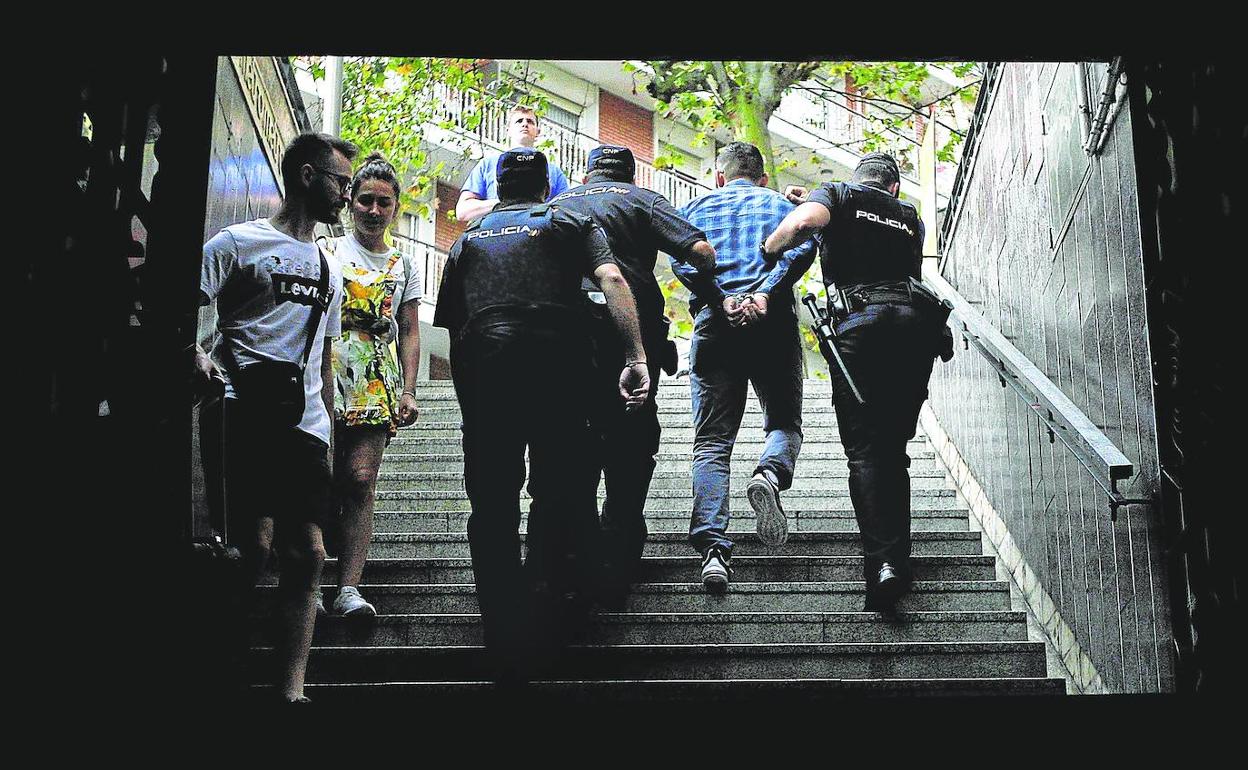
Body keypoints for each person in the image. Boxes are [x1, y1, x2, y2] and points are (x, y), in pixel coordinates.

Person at [433, 148, 650, 681]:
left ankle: (503, 628)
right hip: (559, 367)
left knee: (492, 499)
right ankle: (550, 602)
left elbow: (453, 326)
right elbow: (615, 281)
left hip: (488, 368)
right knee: (561, 488)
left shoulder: (467, 240)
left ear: (499, 188)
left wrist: (470, 406)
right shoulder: (567, 218)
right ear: (546, 186)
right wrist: (634, 356)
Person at [192, 132, 354, 702]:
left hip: (303, 425)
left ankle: (291, 692)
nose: (347, 194)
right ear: (308, 177)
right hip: (241, 410)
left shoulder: (330, 269)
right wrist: (197, 353)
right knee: (253, 546)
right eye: (340, 181)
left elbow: (326, 357)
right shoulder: (239, 242)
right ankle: (220, 665)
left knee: (308, 551)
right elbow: (186, 296)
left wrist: (327, 429)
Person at [764, 152, 948, 619]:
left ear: (857, 180)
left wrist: (771, 246)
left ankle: (883, 565)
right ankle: (896, 561)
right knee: (892, 449)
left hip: (861, 330)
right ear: (893, 187)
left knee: (865, 451)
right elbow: (872, 234)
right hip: (913, 328)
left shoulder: (840, 195)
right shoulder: (909, 216)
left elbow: (806, 222)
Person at [549, 144, 722, 607]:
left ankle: (576, 552)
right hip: (632, 334)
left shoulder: (559, 205)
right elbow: (701, 251)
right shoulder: (643, 199)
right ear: (628, 173)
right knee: (632, 439)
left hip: (565, 336)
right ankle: (619, 548)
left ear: (586, 175)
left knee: (573, 442)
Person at [675, 141, 816, 592]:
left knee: (712, 442)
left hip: (715, 326)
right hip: (771, 325)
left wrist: (722, 299)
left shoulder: (694, 206)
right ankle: (769, 473)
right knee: (783, 422)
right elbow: (804, 247)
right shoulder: (779, 204)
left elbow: (684, 261)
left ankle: (714, 553)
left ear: (719, 176)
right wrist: (766, 293)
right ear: (761, 177)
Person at [321, 151, 422, 617]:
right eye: (365, 200)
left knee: (360, 479)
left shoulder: (405, 263)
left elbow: (410, 328)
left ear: (395, 207)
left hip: (376, 376)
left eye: (384, 203)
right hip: (325, 367)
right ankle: (305, 582)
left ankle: (348, 588)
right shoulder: (327, 250)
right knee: (318, 479)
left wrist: (408, 390)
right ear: (349, 202)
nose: (374, 211)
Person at [454, 105, 571, 223]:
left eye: (530, 122)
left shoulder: (553, 171)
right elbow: (463, 211)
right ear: (508, 130)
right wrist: (504, 203)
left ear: (538, 131)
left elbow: (566, 210)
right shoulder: (487, 165)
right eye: (519, 121)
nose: (525, 124)